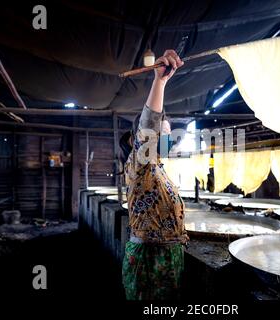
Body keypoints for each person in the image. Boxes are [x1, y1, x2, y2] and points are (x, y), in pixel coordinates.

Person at [119, 50, 189, 300]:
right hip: (150, 262)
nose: (166, 140)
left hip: (167, 259)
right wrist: (159, 82)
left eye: (168, 135)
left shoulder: (158, 170)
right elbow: (148, 126)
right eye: (162, 134)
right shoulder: (141, 166)